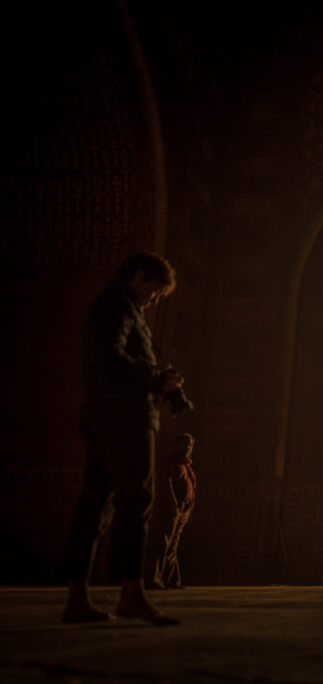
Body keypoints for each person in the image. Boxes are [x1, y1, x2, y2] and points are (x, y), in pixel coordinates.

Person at [59, 252, 184, 626]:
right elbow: (109, 356)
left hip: (106, 415)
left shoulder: (118, 307)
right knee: (137, 501)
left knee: (95, 503)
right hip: (126, 419)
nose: (154, 300)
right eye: (155, 291)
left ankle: (77, 597)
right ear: (140, 276)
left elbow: (112, 360)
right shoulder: (118, 306)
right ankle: (131, 594)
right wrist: (156, 378)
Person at [150, 433, 197, 589]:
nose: (188, 448)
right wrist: (173, 503)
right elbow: (165, 482)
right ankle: (154, 578)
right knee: (163, 543)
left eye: (190, 445)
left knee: (172, 545)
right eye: (185, 444)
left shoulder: (186, 465)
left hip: (183, 510)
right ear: (177, 446)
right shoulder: (171, 463)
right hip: (172, 509)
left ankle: (170, 579)